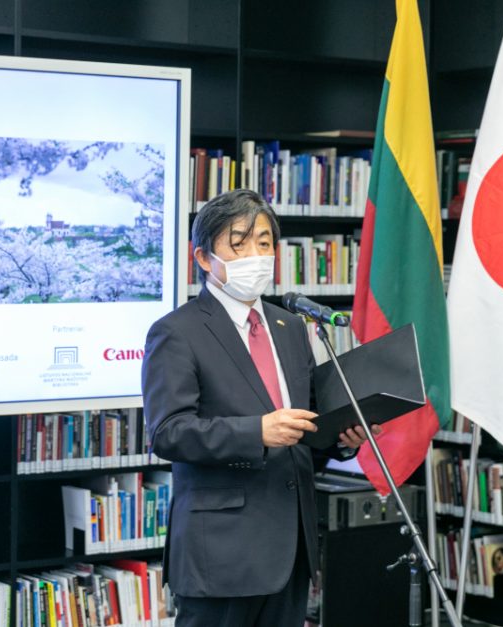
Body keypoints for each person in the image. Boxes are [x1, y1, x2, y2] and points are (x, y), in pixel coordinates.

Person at [142, 189, 375, 627]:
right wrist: (256, 432)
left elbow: (303, 429)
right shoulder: (177, 332)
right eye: (240, 242)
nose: (256, 254)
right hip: (222, 552)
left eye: (265, 242)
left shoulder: (289, 327)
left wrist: (342, 439)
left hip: (291, 546)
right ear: (205, 258)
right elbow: (167, 433)